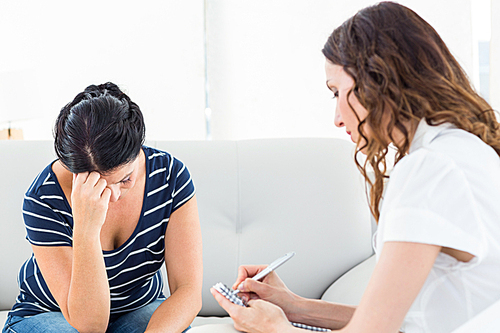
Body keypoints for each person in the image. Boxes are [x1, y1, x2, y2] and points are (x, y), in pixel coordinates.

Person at [211, 2, 500, 332]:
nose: (336, 118)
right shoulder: (462, 149)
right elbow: (395, 321)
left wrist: (276, 329)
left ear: (378, 80)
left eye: (337, 92)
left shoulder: (430, 170)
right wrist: (295, 307)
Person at [2, 82, 203, 333]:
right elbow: (90, 325)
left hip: (138, 308)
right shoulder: (44, 197)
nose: (113, 197)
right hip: (52, 314)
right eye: (98, 185)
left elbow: (188, 291)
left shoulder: (170, 176)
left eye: (125, 179)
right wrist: (87, 229)